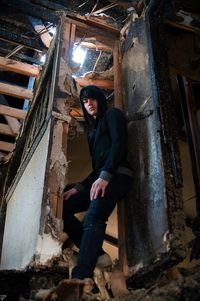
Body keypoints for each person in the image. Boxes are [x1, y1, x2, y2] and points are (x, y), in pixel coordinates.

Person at [62, 85, 133, 280]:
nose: (88, 104)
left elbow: (119, 145)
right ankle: (100, 256)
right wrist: (79, 188)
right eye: (85, 101)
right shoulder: (92, 133)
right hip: (102, 177)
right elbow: (96, 169)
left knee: (93, 217)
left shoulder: (113, 114)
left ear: (99, 99)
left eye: (91, 99)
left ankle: (80, 276)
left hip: (118, 174)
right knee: (62, 208)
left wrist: (105, 175)